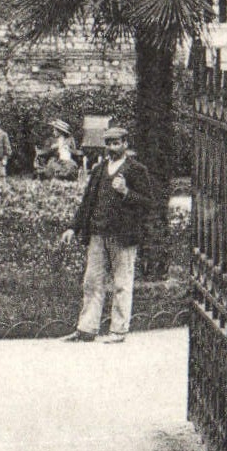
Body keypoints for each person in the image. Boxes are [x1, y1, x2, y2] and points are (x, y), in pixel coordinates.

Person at [59, 123, 154, 343]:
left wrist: (126, 192)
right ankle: (86, 328)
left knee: (122, 283)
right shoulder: (100, 169)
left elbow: (148, 203)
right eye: (109, 143)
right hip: (98, 233)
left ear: (125, 144)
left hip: (123, 235)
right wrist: (74, 227)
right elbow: (88, 202)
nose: (112, 147)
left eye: (116, 143)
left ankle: (118, 331)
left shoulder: (137, 170)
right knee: (92, 282)